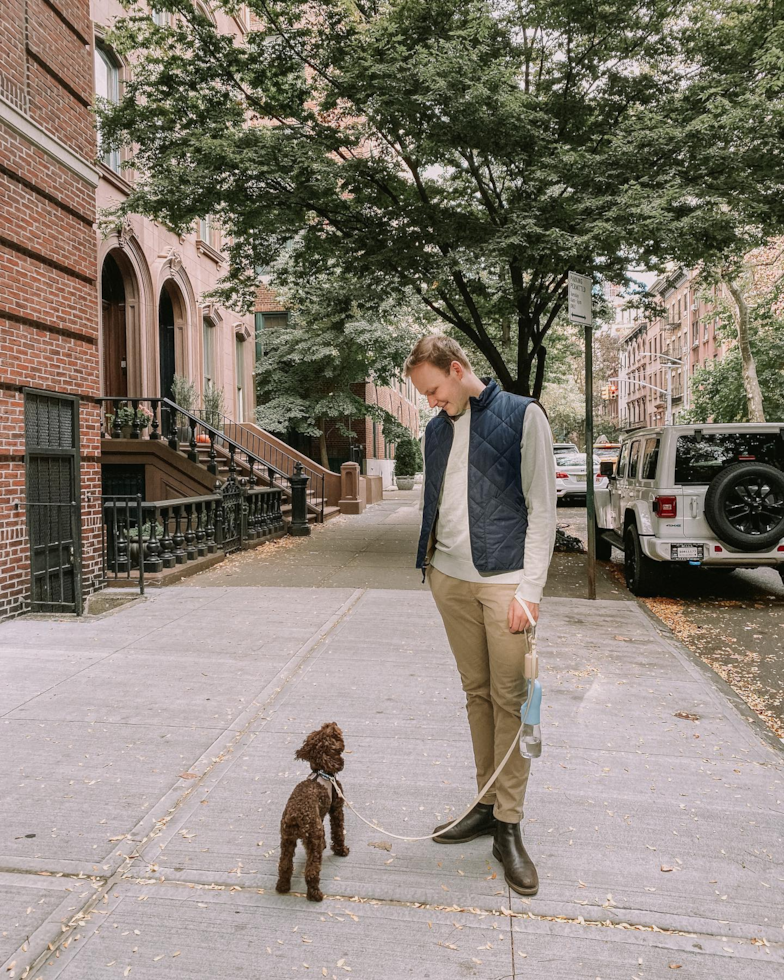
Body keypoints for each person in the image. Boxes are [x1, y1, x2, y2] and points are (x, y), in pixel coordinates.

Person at [404, 335, 556, 896]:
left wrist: (530, 590)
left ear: (459, 369)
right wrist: (433, 567)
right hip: (449, 579)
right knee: (476, 693)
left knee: (510, 700)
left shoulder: (524, 416)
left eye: (434, 389)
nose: (429, 401)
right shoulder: (437, 428)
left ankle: (509, 827)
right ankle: (486, 804)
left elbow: (543, 508)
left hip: (505, 584)